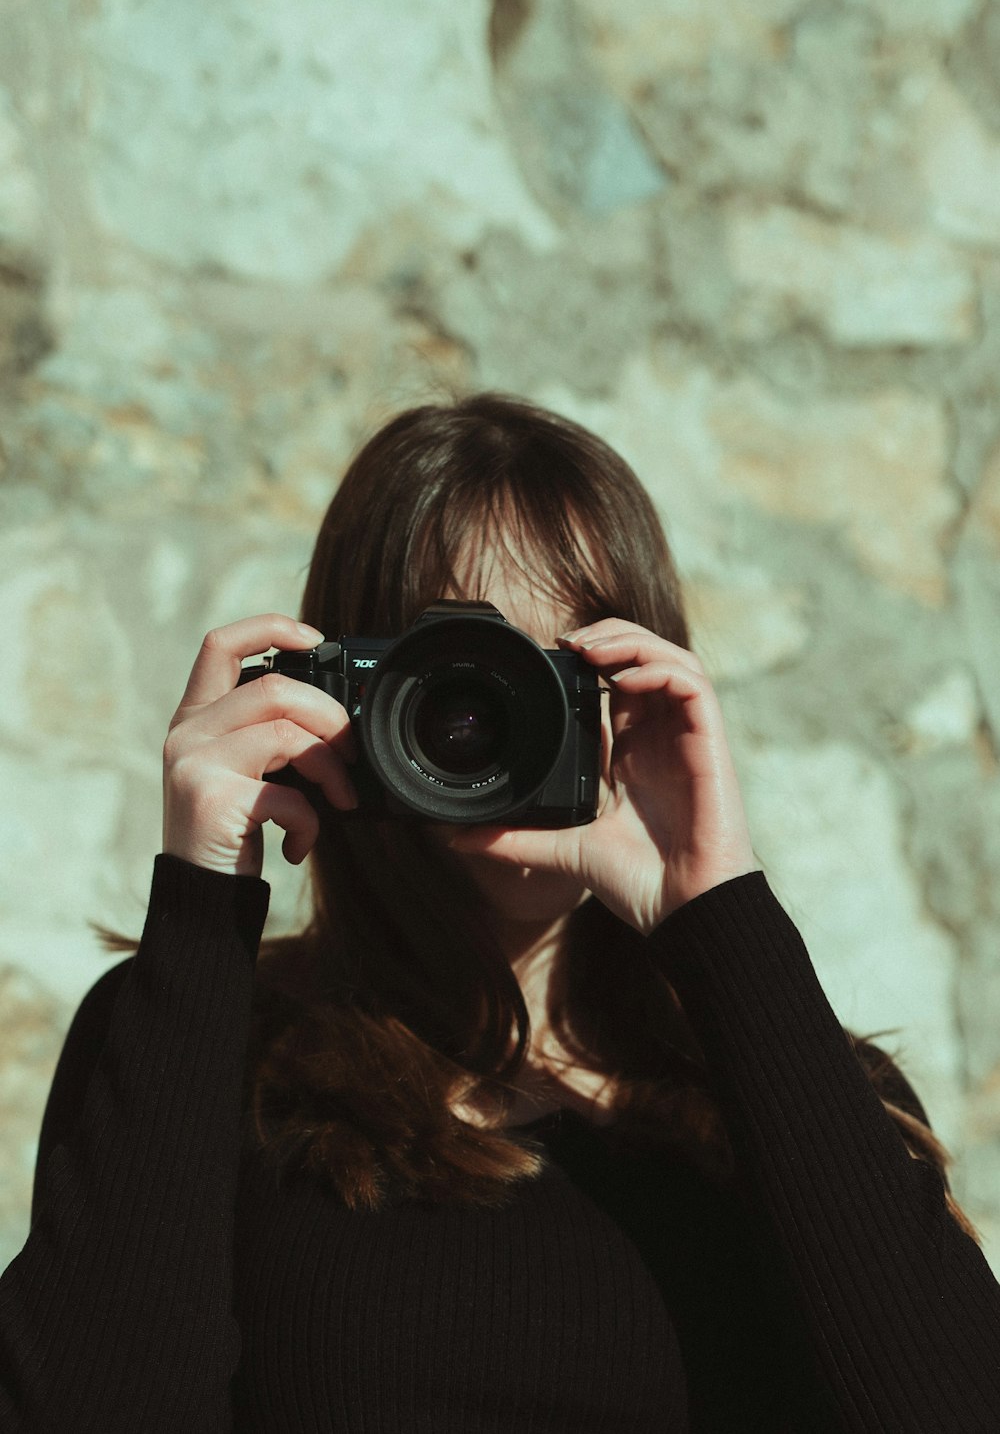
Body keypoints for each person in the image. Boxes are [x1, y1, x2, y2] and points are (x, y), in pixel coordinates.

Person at [2, 391, 998, 1432]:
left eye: (552, 675)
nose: (496, 726)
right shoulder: (204, 1045)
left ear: (646, 688)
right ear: (345, 691)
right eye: (454, 679)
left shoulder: (780, 1089)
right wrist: (203, 911)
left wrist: (718, 912)